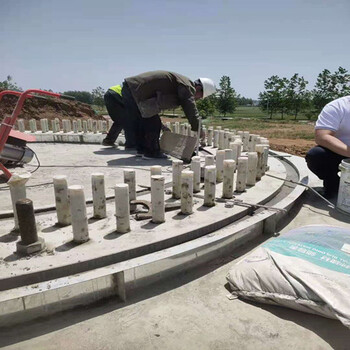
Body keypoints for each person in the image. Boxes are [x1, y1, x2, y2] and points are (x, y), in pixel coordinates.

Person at [102, 70, 216, 159]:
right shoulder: (187, 86)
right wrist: (198, 127)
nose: (197, 99)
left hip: (132, 90)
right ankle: (151, 152)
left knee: (145, 120)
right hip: (134, 91)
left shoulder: (182, 83)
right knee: (152, 122)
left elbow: (154, 107)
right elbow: (189, 106)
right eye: (199, 97)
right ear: (199, 89)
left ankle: (143, 150)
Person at [306, 95, 350, 198]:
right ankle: (335, 185)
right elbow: (322, 136)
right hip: (341, 152)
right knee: (317, 156)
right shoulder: (338, 106)